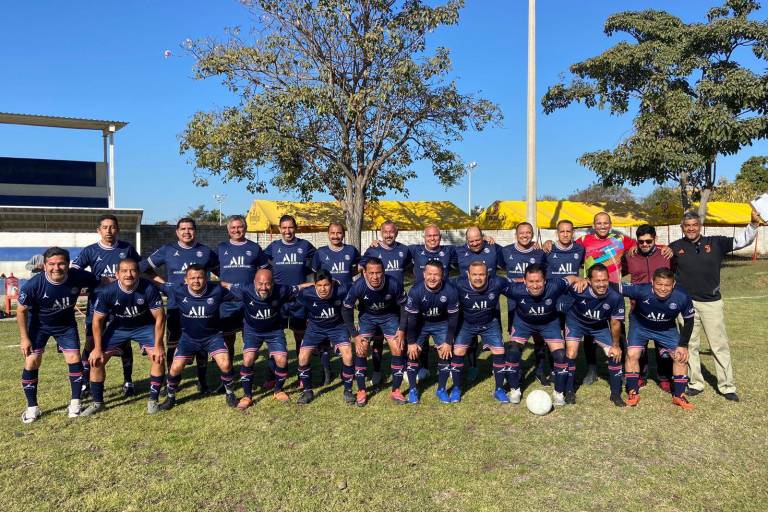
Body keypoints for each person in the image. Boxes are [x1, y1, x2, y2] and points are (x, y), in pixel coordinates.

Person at [543, 211, 672, 386]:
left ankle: (624, 368)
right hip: (591, 292)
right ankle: (592, 370)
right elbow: (566, 245)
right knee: (590, 332)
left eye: (606, 223)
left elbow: (644, 243)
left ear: (610, 225)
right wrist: (549, 243)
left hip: (613, 292)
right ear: (593, 225)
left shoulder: (620, 239)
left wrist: (665, 247)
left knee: (619, 330)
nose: (602, 226)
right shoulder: (584, 240)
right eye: (599, 223)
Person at [668, 209, 761, 401]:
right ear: (682, 228)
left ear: (700, 226)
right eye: (687, 226)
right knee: (690, 344)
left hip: (711, 303)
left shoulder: (716, 242)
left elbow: (742, 241)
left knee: (719, 345)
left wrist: (753, 224)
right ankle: (695, 382)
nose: (691, 229)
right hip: (686, 305)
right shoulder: (674, 247)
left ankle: (727, 386)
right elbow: (657, 260)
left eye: (694, 225)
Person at [16, 247, 98, 423]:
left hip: (65, 326)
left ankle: (75, 404)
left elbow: (99, 282)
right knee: (32, 361)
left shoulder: (78, 276)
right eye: (51, 264)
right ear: (44, 266)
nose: (56, 268)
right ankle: (32, 408)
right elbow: (21, 311)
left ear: (68, 264)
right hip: (38, 326)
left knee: (74, 358)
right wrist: (24, 338)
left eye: (61, 263)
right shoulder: (33, 285)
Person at [142, 217, 219, 392]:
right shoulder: (168, 249)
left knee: (201, 343)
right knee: (173, 343)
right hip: (175, 306)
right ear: (177, 232)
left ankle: (202, 381)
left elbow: (221, 271)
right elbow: (144, 267)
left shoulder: (205, 251)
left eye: (190, 228)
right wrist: (163, 285)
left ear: (195, 231)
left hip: (200, 306)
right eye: (183, 229)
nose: (186, 232)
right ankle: (173, 381)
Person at [81, 258, 166, 415]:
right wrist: (97, 349)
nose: (129, 274)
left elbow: (160, 317)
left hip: (144, 327)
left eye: (133, 270)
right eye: (124, 271)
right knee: (96, 360)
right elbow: (97, 321)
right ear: (117, 274)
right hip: (118, 328)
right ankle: (98, 403)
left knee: (158, 357)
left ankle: (153, 401)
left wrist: (159, 345)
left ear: (138, 273)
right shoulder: (107, 291)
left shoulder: (149, 288)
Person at [71, 214, 141, 398]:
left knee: (125, 342)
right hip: (97, 304)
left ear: (118, 229)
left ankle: (128, 381)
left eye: (112, 227)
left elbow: (139, 269)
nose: (109, 231)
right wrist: (95, 279)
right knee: (91, 342)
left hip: (122, 304)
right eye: (105, 227)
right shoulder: (90, 250)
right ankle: (86, 381)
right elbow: (74, 271)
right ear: (98, 230)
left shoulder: (127, 248)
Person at [158, 265, 238, 410]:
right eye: (192, 278)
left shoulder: (217, 290)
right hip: (188, 338)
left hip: (213, 337)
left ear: (206, 278)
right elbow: (152, 286)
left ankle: (230, 393)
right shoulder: (176, 290)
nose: (196, 281)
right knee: (175, 368)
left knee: (225, 364)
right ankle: (170, 398)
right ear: (186, 280)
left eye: (200, 277)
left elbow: (240, 295)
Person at [506, 264, 587, 406]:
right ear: (524, 281)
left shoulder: (555, 286)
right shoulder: (515, 289)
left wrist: (579, 279)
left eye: (538, 281)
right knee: (513, 352)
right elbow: (495, 284)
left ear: (545, 281)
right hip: (523, 323)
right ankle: (515, 390)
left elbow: (571, 278)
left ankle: (559, 393)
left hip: (549, 323)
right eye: (531, 281)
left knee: (561, 356)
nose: (535, 285)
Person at [620, 268, 696, 410]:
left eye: (667, 285)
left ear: (673, 284)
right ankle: (633, 392)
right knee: (632, 354)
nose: (663, 288)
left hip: (666, 329)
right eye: (659, 284)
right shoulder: (641, 290)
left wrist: (683, 345)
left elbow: (689, 321)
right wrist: (587, 281)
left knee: (680, 356)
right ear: (652, 282)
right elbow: (613, 287)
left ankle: (679, 395)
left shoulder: (682, 295)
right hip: (640, 326)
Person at [263, 215, 322, 384]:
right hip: (278, 299)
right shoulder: (273, 247)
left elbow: (322, 258)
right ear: (279, 229)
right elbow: (257, 261)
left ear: (295, 228)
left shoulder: (305, 246)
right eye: (284, 228)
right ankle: (272, 376)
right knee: (275, 338)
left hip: (299, 299)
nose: (287, 231)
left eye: (290, 227)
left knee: (300, 337)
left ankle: (302, 376)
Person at [223, 269, 294, 407]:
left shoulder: (282, 290)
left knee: (282, 359)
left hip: (274, 331)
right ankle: (247, 396)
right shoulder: (245, 289)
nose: (263, 287)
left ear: (273, 283)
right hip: (252, 331)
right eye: (260, 284)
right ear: (254, 282)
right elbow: (226, 285)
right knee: (248, 358)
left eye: (267, 284)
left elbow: (300, 287)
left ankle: (278, 390)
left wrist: (318, 284)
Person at [342, 257, 407, 405]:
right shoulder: (358, 285)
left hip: (389, 316)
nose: (375, 277)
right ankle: (361, 391)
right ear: (364, 273)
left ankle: (396, 390)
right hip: (368, 318)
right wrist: (355, 335)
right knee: (361, 349)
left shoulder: (393, 283)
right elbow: (346, 309)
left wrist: (402, 329)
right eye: (371, 273)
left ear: (383, 272)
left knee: (398, 348)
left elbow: (405, 306)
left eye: (378, 273)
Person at [215, 214, 268, 386]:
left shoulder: (254, 248)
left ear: (245, 228)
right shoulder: (221, 248)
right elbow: (212, 268)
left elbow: (265, 270)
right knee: (227, 339)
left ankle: (248, 372)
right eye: (233, 227)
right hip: (227, 301)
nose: (236, 230)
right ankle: (228, 373)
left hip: (249, 301)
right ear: (228, 230)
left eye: (240, 227)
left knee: (250, 339)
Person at [563, 263, 625, 406]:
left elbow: (615, 323)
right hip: (576, 323)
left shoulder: (615, 296)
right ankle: (569, 390)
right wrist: (576, 278)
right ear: (589, 281)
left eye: (605, 280)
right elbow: (560, 283)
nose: (602, 284)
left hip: (598, 327)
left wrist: (616, 345)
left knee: (614, 353)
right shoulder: (579, 289)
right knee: (571, 353)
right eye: (597, 281)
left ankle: (615, 394)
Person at [360, 221, 413, 385]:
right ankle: (377, 371)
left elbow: (410, 268)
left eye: (391, 232)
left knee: (400, 336)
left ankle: (403, 367)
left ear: (396, 232)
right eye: (385, 232)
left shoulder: (404, 250)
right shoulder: (373, 250)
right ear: (380, 233)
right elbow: (361, 269)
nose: (388, 235)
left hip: (396, 302)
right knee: (377, 339)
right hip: (376, 301)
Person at [622, 224, 673, 392]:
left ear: (655, 239)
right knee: (640, 347)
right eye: (641, 241)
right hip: (638, 309)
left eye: (648, 241)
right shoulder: (630, 255)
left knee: (662, 346)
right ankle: (640, 376)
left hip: (663, 309)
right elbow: (616, 271)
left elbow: (676, 274)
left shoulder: (666, 254)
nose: (644, 244)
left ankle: (664, 377)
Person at [452, 261, 512, 403]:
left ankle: (499, 389)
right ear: (468, 275)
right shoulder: (458, 283)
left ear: (487, 275)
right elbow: (439, 287)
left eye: (481, 274)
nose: (478, 278)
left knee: (499, 351)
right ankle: (456, 388)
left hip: (489, 323)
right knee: (458, 351)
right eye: (474, 274)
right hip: (467, 323)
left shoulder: (497, 283)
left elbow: (518, 289)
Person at [293, 270, 356, 405]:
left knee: (348, 355)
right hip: (315, 328)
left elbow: (358, 286)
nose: (323, 289)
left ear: (332, 284)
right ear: (314, 285)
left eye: (326, 285)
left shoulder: (342, 290)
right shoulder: (306, 293)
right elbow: (292, 291)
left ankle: (348, 390)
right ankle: (307, 391)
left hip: (337, 326)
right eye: (319, 285)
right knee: (302, 356)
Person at [404, 261, 460, 404]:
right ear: (424, 274)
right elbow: (411, 320)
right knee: (413, 353)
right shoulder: (415, 291)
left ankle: (441, 389)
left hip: (441, 323)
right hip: (420, 324)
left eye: (436, 275)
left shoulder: (450, 290)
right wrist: (411, 342)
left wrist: (448, 341)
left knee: (445, 353)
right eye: (429, 274)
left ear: (442, 275)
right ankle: (413, 389)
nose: (432, 278)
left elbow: (453, 319)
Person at [500, 222, 549, 385]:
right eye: (521, 233)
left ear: (532, 235)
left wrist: (549, 243)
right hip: (515, 301)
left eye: (528, 232)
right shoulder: (505, 251)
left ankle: (540, 370)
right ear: (516, 235)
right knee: (515, 338)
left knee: (539, 336)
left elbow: (546, 274)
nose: (525, 235)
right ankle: (518, 371)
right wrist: (487, 238)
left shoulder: (539, 252)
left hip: (536, 300)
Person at [454, 226, 503, 382]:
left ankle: (498, 367)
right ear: (466, 241)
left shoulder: (493, 247)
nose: (475, 243)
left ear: (483, 237)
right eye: (471, 241)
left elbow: (512, 254)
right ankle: (473, 366)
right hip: (467, 300)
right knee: (470, 337)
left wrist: (541, 244)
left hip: (490, 299)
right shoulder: (458, 251)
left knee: (496, 335)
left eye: (478, 240)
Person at [312, 222, 361, 288]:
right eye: (332, 233)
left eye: (339, 233)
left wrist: (349, 273)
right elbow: (315, 272)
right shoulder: (320, 251)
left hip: (348, 290)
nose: (335, 236)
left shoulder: (351, 249)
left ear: (344, 234)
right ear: (328, 234)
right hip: (328, 292)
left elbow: (361, 265)